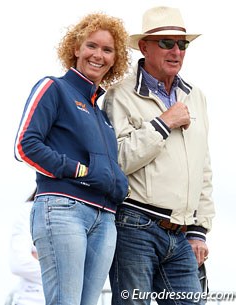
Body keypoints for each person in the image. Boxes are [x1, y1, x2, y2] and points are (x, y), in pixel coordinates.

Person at [14, 12, 130, 305]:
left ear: (115, 59)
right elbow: (25, 145)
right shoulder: (54, 87)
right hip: (63, 209)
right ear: (76, 48)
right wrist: (78, 170)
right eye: (91, 45)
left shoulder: (101, 115)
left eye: (107, 50)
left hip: (104, 219)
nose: (98, 55)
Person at [103, 6, 215, 305]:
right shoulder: (119, 95)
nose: (176, 51)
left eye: (182, 44)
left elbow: (202, 167)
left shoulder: (196, 97)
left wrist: (199, 231)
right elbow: (118, 160)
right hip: (134, 225)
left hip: (182, 235)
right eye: (166, 43)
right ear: (144, 47)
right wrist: (164, 123)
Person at [5, 189, 45, 305]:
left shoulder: (85, 213)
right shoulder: (30, 210)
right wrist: (65, 269)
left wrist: (43, 259)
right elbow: (19, 263)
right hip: (31, 300)